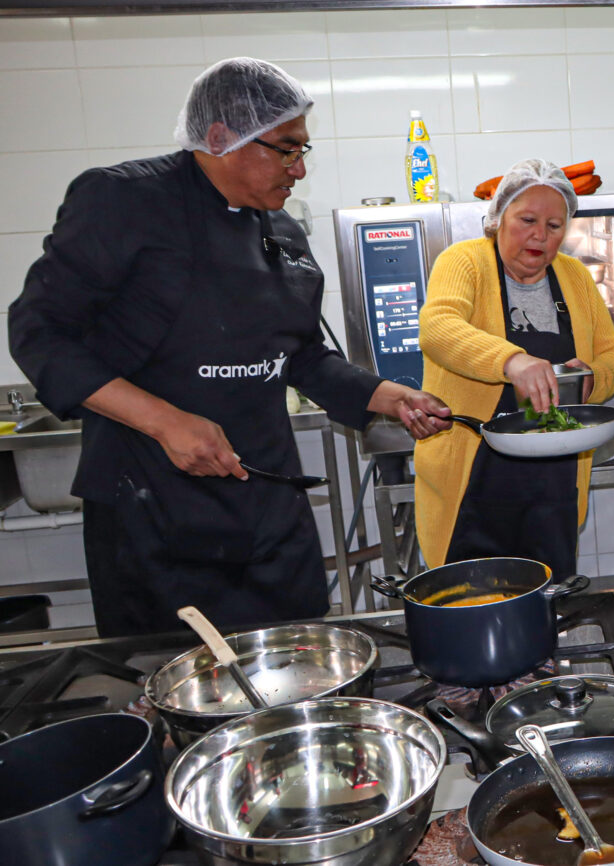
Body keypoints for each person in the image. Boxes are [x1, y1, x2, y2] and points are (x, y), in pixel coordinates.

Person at [7, 58, 451, 638]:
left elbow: (301, 355)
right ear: (221, 138)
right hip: (154, 505)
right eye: (286, 150)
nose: (298, 169)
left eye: (302, 153)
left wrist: (385, 395)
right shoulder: (125, 201)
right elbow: (38, 331)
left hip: (267, 500)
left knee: (298, 663)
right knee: (182, 687)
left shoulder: (281, 231)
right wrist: (165, 423)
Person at [414, 158, 614, 581]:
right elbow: (438, 328)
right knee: (472, 605)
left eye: (554, 226)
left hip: (554, 480)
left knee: (546, 598)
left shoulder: (574, 276)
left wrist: (591, 379)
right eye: (527, 219)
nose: (540, 236)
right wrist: (511, 361)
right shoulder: (464, 262)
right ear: (498, 219)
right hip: (473, 478)